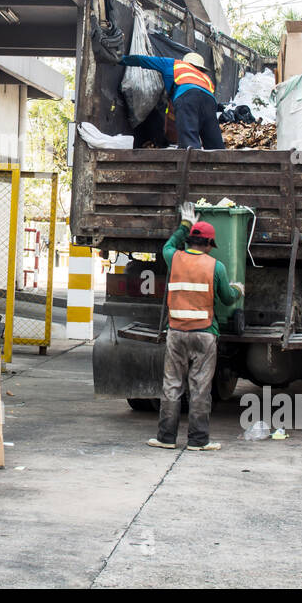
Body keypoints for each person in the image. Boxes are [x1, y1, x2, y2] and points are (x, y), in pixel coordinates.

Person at [147, 202, 244, 451]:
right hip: (204, 335)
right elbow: (227, 297)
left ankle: (166, 438)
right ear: (210, 245)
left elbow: (167, 245)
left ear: (189, 241)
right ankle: (198, 441)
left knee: (172, 385)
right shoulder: (216, 267)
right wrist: (238, 290)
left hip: (176, 333)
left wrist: (184, 224)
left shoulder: (174, 258)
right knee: (200, 388)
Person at [118, 51, 224, 149]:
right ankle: (221, 166)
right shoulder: (206, 78)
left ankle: (190, 165)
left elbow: (143, 60)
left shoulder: (174, 64)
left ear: (185, 62)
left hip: (187, 96)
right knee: (213, 140)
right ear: (200, 67)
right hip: (210, 101)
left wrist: (121, 59)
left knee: (189, 139)